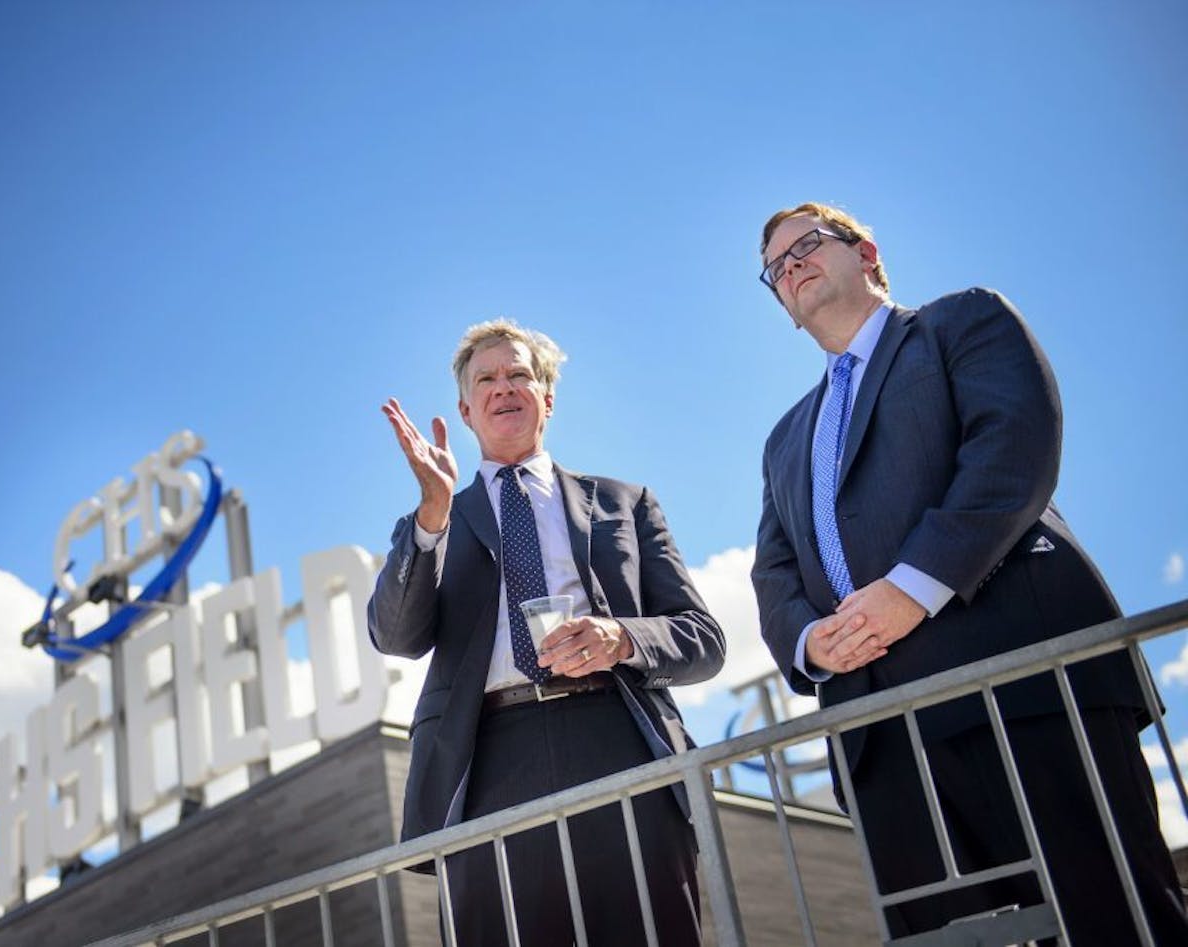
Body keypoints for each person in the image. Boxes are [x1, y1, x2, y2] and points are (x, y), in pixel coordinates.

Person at [751, 202, 1187, 941]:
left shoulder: (961, 324)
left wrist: (909, 589)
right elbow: (773, 571)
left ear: (867, 252)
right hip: (880, 732)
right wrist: (813, 644)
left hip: (1026, 686)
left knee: (1112, 917)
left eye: (808, 245)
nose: (791, 265)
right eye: (775, 267)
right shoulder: (784, 437)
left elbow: (1012, 449)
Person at [368, 319, 724, 946]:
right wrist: (432, 514)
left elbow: (702, 639)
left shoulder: (624, 502)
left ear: (547, 397)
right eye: (487, 380)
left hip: (619, 738)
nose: (503, 388)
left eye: (518, 375)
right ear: (466, 410)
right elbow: (396, 636)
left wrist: (622, 638)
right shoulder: (438, 515)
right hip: (488, 763)